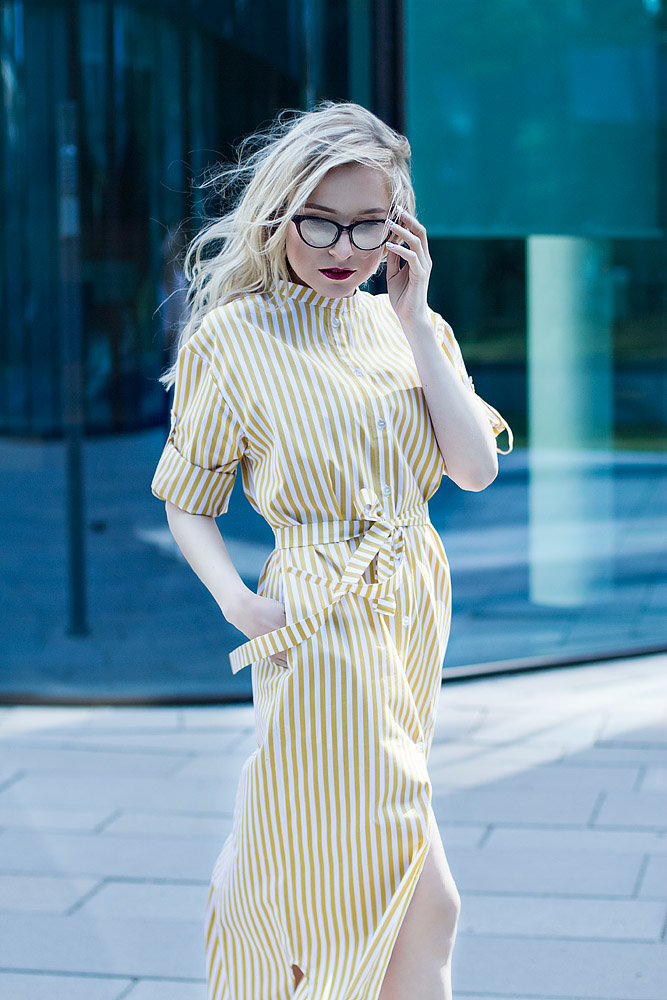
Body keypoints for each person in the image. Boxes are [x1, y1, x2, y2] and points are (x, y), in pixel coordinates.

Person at [151, 101, 511, 1000]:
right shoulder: (233, 337)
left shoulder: (408, 326)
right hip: (320, 612)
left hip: (414, 599)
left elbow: (470, 470)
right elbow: (187, 500)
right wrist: (237, 602)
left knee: (338, 857)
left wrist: (416, 315)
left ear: (400, 225)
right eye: (320, 218)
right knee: (422, 892)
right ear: (280, 213)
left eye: (367, 222)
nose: (340, 244)